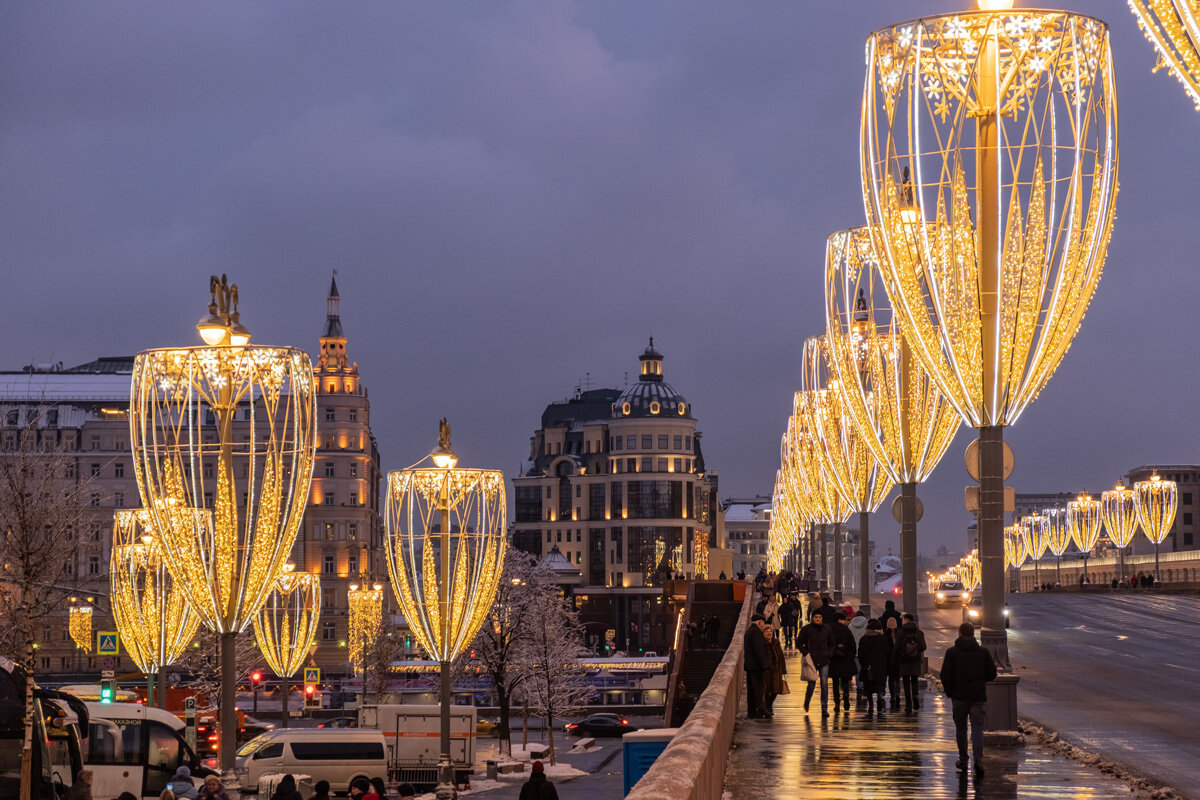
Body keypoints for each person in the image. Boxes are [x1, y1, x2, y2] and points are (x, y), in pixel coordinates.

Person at [941, 622, 998, 778]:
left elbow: (945, 675)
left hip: (959, 697)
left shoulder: (952, 653)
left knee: (961, 729)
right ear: (974, 634)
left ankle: (963, 760)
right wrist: (980, 681)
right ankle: (978, 761)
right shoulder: (982, 652)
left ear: (959, 634)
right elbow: (992, 673)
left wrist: (950, 692)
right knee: (977, 729)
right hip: (978, 696)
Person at [797, 610, 834, 716]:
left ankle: (824, 708)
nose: (818, 619)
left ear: (822, 618)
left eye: (819, 617)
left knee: (824, 684)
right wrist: (805, 652)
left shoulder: (827, 629)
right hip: (811, 660)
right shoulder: (806, 630)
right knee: (811, 684)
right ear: (813, 618)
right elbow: (799, 643)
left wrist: (829, 653)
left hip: (824, 659)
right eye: (816, 617)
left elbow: (832, 643)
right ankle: (807, 700)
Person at [857, 619, 891, 715]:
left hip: (868, 667)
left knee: (868, 687)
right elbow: (887, 653)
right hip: (881, 667)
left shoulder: (864, 639)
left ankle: (871, 705)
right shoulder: (883, 639)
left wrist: (864, 664)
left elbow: (861, 654)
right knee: (879, 685)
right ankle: (880, 699)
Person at [894, 613, 927, 713]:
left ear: (906, 620)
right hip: (915, 661)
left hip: (904, 661)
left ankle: (908, 704)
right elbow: (923, 647)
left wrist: (895, 658)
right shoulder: (919, 633)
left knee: (906, 682)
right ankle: (915, 696)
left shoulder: (900, 632)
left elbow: (897, 647)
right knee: (914, 680)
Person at [742, 613, 771, 718]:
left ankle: (752, 712)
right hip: (756, 667)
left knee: (751, 690)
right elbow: (759, 650)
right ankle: (761, 710)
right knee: (759, 689)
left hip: (750, 666)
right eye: (763, 623)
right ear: (760, 622)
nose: (763, 626)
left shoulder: (749, 631)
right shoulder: (756, 632)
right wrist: (765, 665)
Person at [828, 613, 858, 712]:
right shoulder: (846, 630)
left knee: (835, 682)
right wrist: (851, 656)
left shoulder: (830, 631)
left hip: (834, 660)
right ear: (840, 620)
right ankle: (845, 694)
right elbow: (853, 646)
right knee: (845, 680)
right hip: (845, 659)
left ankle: (837, 703)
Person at [763, 624, 787, 715]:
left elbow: (781, 656)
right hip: (766, 671)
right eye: (767, 631)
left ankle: (769, 705)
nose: (769, 633)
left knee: (776, 690)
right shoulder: (762, 643)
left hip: (776, 670)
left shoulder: (776, 642)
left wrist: (783, 669)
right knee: (766, 690)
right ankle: (767, 707)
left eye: (770, 631)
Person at [883, 616, 902, 709]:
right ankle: (898, 694)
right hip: (898, 660)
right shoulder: (900, 634)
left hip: (889, 660)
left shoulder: (885, 634)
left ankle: (893, 696)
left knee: (890, 678)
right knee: (897, 678)